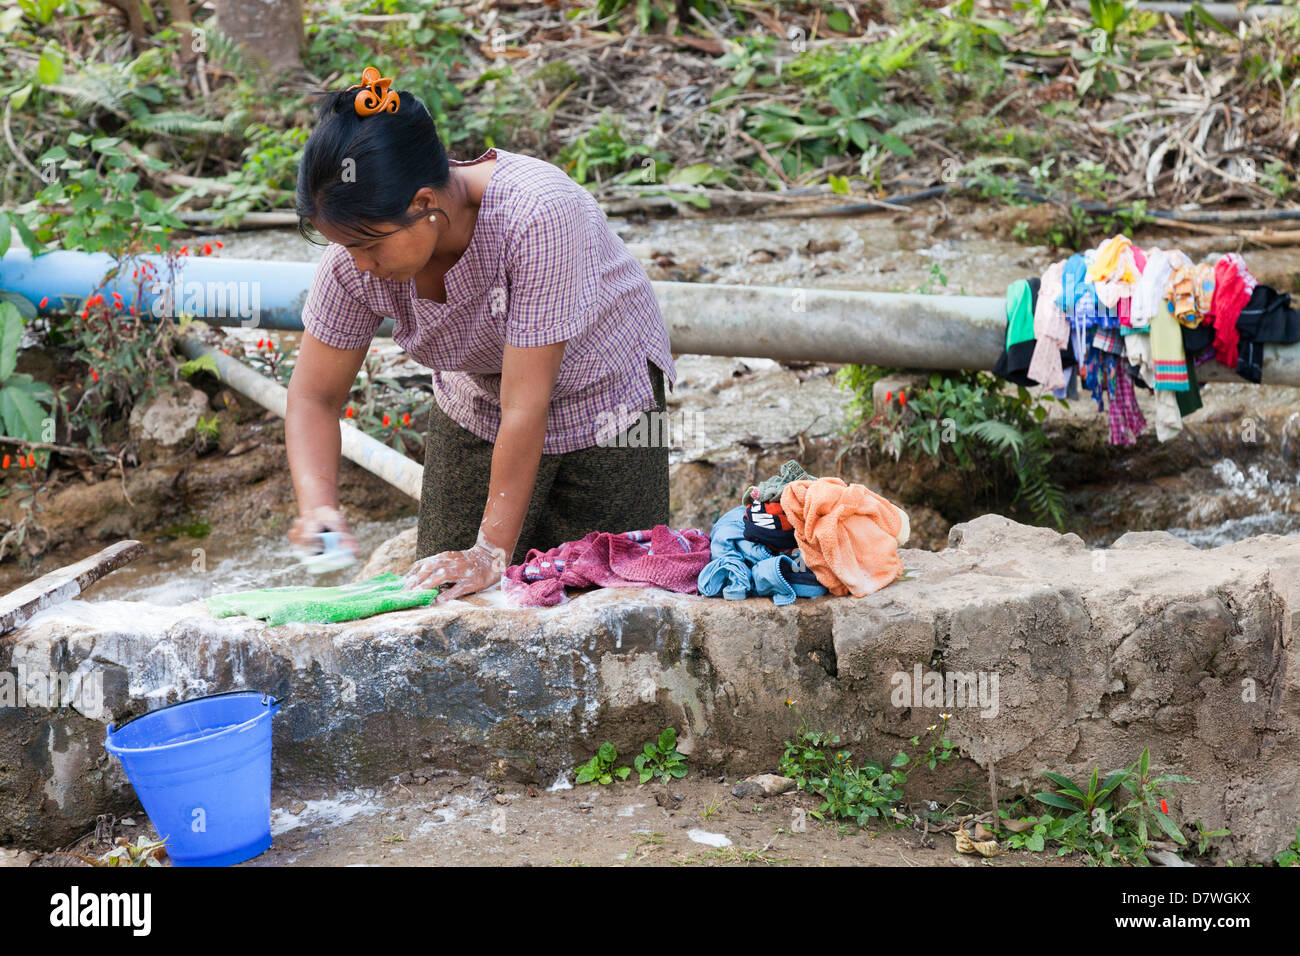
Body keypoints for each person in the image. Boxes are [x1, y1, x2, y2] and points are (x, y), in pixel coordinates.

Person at [285, 67, 676, 603]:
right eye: (345, 246)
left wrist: (492, 550)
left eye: (370, 245)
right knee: (443, 596)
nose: (359, 264)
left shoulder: (537, 214)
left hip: (603, 396)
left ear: (425, 206)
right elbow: (312, 397)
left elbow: (526, 403)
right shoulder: (350, 264)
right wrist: (318, 504)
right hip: (481, 402)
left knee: (606, 599)